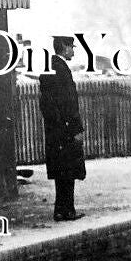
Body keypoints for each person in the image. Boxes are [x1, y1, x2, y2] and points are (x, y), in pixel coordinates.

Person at [39, 34, 86, 221]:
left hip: (55, 129)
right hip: (66, 129)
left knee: (61, 170)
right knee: (68, 170)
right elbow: (68, 103)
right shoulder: (61, 69)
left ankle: (60, 210)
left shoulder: (49, 67)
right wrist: (75, 128)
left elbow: (47, 103)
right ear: (64, 47)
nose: (73, 51)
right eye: (71, 47)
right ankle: (68, 210)